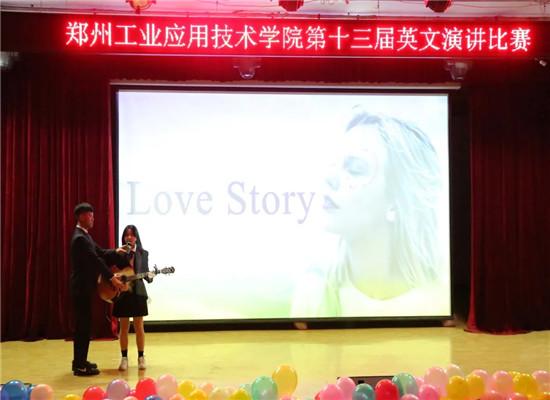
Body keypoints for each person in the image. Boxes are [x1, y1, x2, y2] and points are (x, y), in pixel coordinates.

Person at [291, 110, 445, 318]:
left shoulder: (440, 297)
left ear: (396, 202)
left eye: (355, 168)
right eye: (334, 164)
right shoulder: (315, 290)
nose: (330, 178)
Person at [70, 202, 126, 376]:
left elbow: (100, 252)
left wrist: (116, 251)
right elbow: (95, 260)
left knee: (85, 325)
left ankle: (80, 360)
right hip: (80, 287)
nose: (92, 218)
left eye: (93, 215)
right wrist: (111, 278)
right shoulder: (80, 238)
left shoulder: (85, 236)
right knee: (82, 326)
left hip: (85, 287)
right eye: (89, 215)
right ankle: (79, 365)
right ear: (80, 217)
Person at [113, 224, 152, 371]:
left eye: (132, 234)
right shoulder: (119, 252)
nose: (129, 237)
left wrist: (150, 276)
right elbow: (113, 270)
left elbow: (146, 274)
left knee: (139, 326)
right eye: (126, 235)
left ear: (136, 237)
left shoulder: (143, 253)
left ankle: (141, 357)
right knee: (123, 326)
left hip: (138, 292)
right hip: (122, 293)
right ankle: (124, 358)